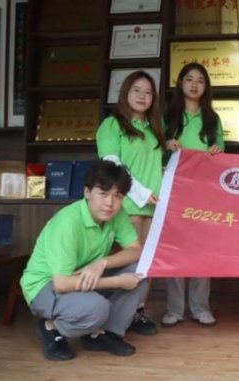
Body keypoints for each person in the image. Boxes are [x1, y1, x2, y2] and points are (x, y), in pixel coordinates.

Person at [20, 161, 148, 361]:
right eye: (103, 193)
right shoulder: (68, 223)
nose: (110, 203)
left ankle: (103, 334)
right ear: (87, 192)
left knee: (141, 270)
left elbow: (135, 250)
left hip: (83, 276)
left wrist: (102, 263)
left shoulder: (116, 214)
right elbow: (62, 284)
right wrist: (116, 281)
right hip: (45, 286)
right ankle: (51, 328)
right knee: (96, 307)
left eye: (118, 196)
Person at [96, 70, 167, 335]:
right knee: (128, 261)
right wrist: (140, 192)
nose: (142, 96)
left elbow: (156, 166)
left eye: (148, 92)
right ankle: (110, 315)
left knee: (147, 262)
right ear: (125, 92)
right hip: (127, 205)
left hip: (153, 207)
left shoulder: (153, 129)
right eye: (137, 90)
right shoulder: (112, 125)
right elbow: (112, 164)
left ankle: (137, 311)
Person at [161, 62, 224, 327]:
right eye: (189, 79)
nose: (195, 84)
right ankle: (175, 309)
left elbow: (220, 151)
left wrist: (215, 152)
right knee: (174, 249)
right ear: (181, 83)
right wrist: (167, 144)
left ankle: (200, 307)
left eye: (200, 80)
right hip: (174, 192)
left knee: (202, 249)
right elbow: (155, 149)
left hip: (203, 193)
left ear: (206, 86)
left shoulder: (213, 118)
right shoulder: (168, 116)